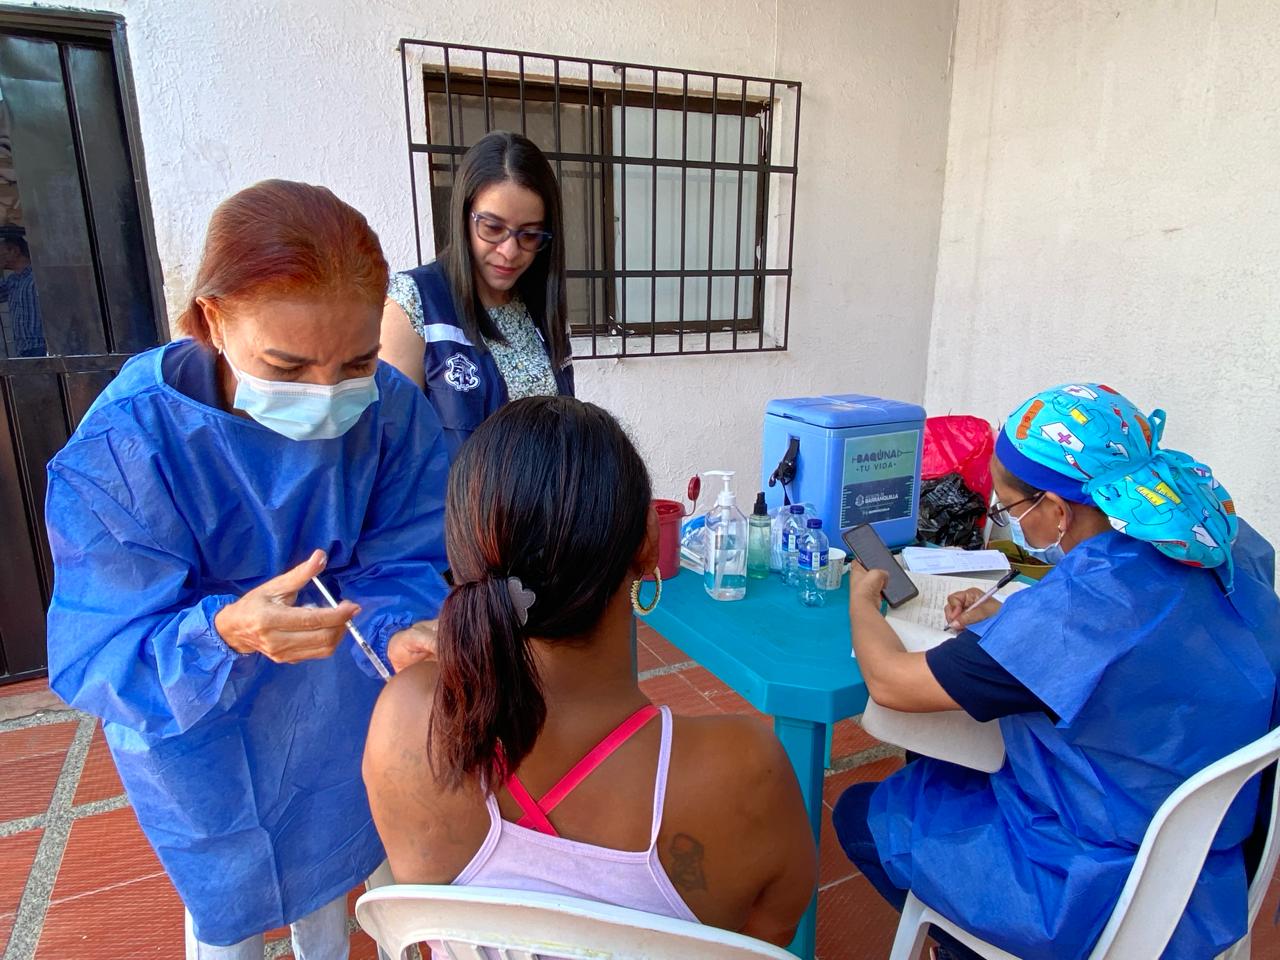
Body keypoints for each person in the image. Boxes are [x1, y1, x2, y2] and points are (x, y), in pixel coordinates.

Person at [45, 180, 450, 959]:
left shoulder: (390, 409)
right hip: (197, 728)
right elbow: (104, 651)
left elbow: (409, 549)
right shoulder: (128, 448)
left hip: (332, 705)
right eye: (288, 365)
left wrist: (399, 630)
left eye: (356, 361)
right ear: (209, 321)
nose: (328, 397)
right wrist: (223, 632)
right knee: (228, 917)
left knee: (328, 885)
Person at [834, 383, 1280, 960]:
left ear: (1057, 509)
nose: (1008, 522)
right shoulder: (1224, 542)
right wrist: (1012, 619)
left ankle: (975, 946)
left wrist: (862, 601)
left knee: (862, 813)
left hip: (1093, 877)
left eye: (1008, 510)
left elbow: (891, 683)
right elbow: (1152, 640)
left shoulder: (1078, 613)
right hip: (1215, 850)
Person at [363, 396, 817, 947]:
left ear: (463, 559)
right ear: (648, 543)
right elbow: (767, 938)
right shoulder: (748, 770)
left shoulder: (406, 716)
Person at [380, 131, 573, 457]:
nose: (510, 251)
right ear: (464, 216)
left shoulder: (541, 308)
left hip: (546, 508)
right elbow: (391, 458)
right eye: (493, 228)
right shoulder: (414, 304)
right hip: (452, 507)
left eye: (529, 235)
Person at [0, 232, 44, 356]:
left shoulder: (36, 278)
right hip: (23, 350)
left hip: (40, 347)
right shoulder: (12, 281)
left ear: (14, 251)